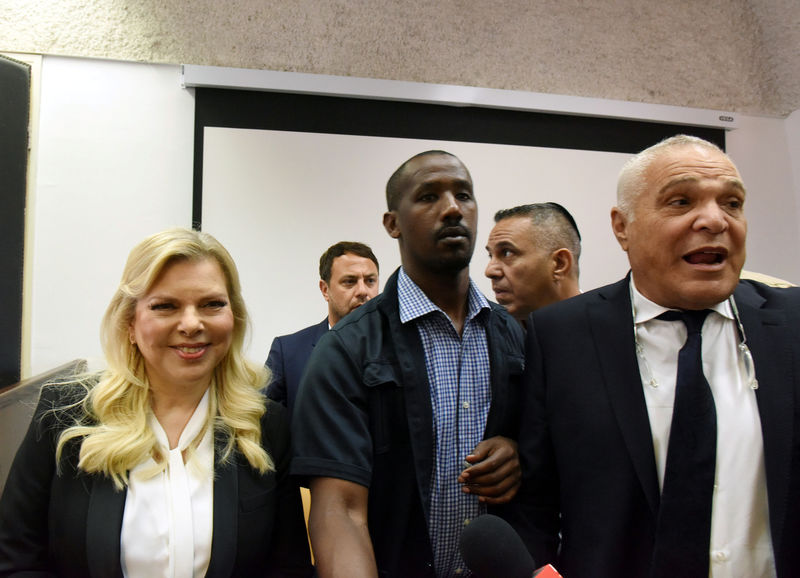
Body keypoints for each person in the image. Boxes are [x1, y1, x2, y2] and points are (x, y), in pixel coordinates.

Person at [513, 135, 800, 577]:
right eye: (681, 201)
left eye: (732, 203)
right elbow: (535, 503)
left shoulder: (794, 324)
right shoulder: (560, 336)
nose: (714, 220)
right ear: (622, 226)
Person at [0, 228, 312, 577]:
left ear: (234, 317)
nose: (192, 323)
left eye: (212, 304)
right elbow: (15, 559)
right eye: (165, 306)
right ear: (130, 323)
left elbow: (288, 567)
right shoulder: (66, 417)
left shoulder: (265, 426)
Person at [291, 150, 526, 578]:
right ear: (392, 223)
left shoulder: (512, 335)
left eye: (464, 195)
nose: (453, 208)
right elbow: (340, 512)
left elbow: (545, 451)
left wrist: (518, 452)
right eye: (428, 196)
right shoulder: (347, 349)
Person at [265, 241, 379, 419]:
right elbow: (263, 427)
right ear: (325, 290)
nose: (363, 291)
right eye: (350, 282)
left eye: (370, 281)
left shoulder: (397, 347)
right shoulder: (288, 352)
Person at [485, 202, 581, 320]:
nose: (489, 271)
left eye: (507, 253)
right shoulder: (496, 334)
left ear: (560, 263)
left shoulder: (607, 331)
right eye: (491, 255)